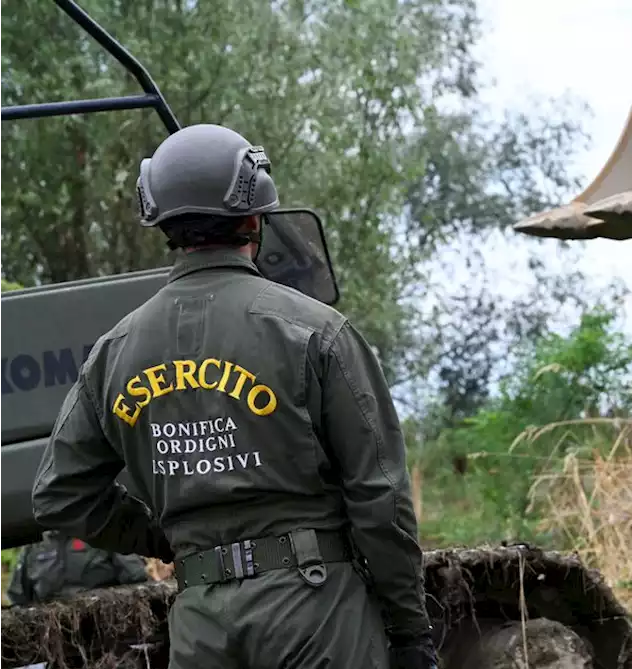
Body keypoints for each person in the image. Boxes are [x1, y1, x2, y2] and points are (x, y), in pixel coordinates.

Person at [29, 124, 436, 669]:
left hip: (201, 627)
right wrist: (410, 632)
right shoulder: (315, 330)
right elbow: (380, 499)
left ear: (165, 224)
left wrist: (170, 539)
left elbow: (60, 494)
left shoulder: (113, 353)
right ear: (254, 218)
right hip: (316, 613)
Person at [4, 529, 151, 607]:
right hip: (52, 632)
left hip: (106, 624)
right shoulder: (34, 547)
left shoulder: (101, 533)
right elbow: (18, 595)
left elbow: (136, 576)